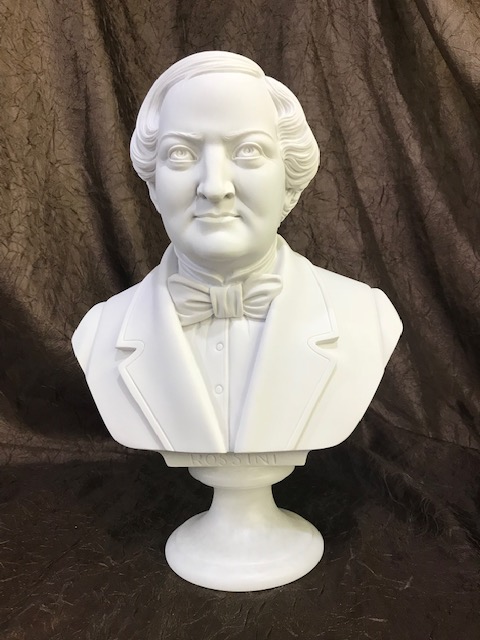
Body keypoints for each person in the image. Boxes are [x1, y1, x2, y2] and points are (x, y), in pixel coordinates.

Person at [72, 51, 402, 454]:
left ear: (290, 182)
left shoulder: (367, 317)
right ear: (154, 186)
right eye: (181, 153)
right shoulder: (100, 332)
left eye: (248, 150)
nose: (214, 187)